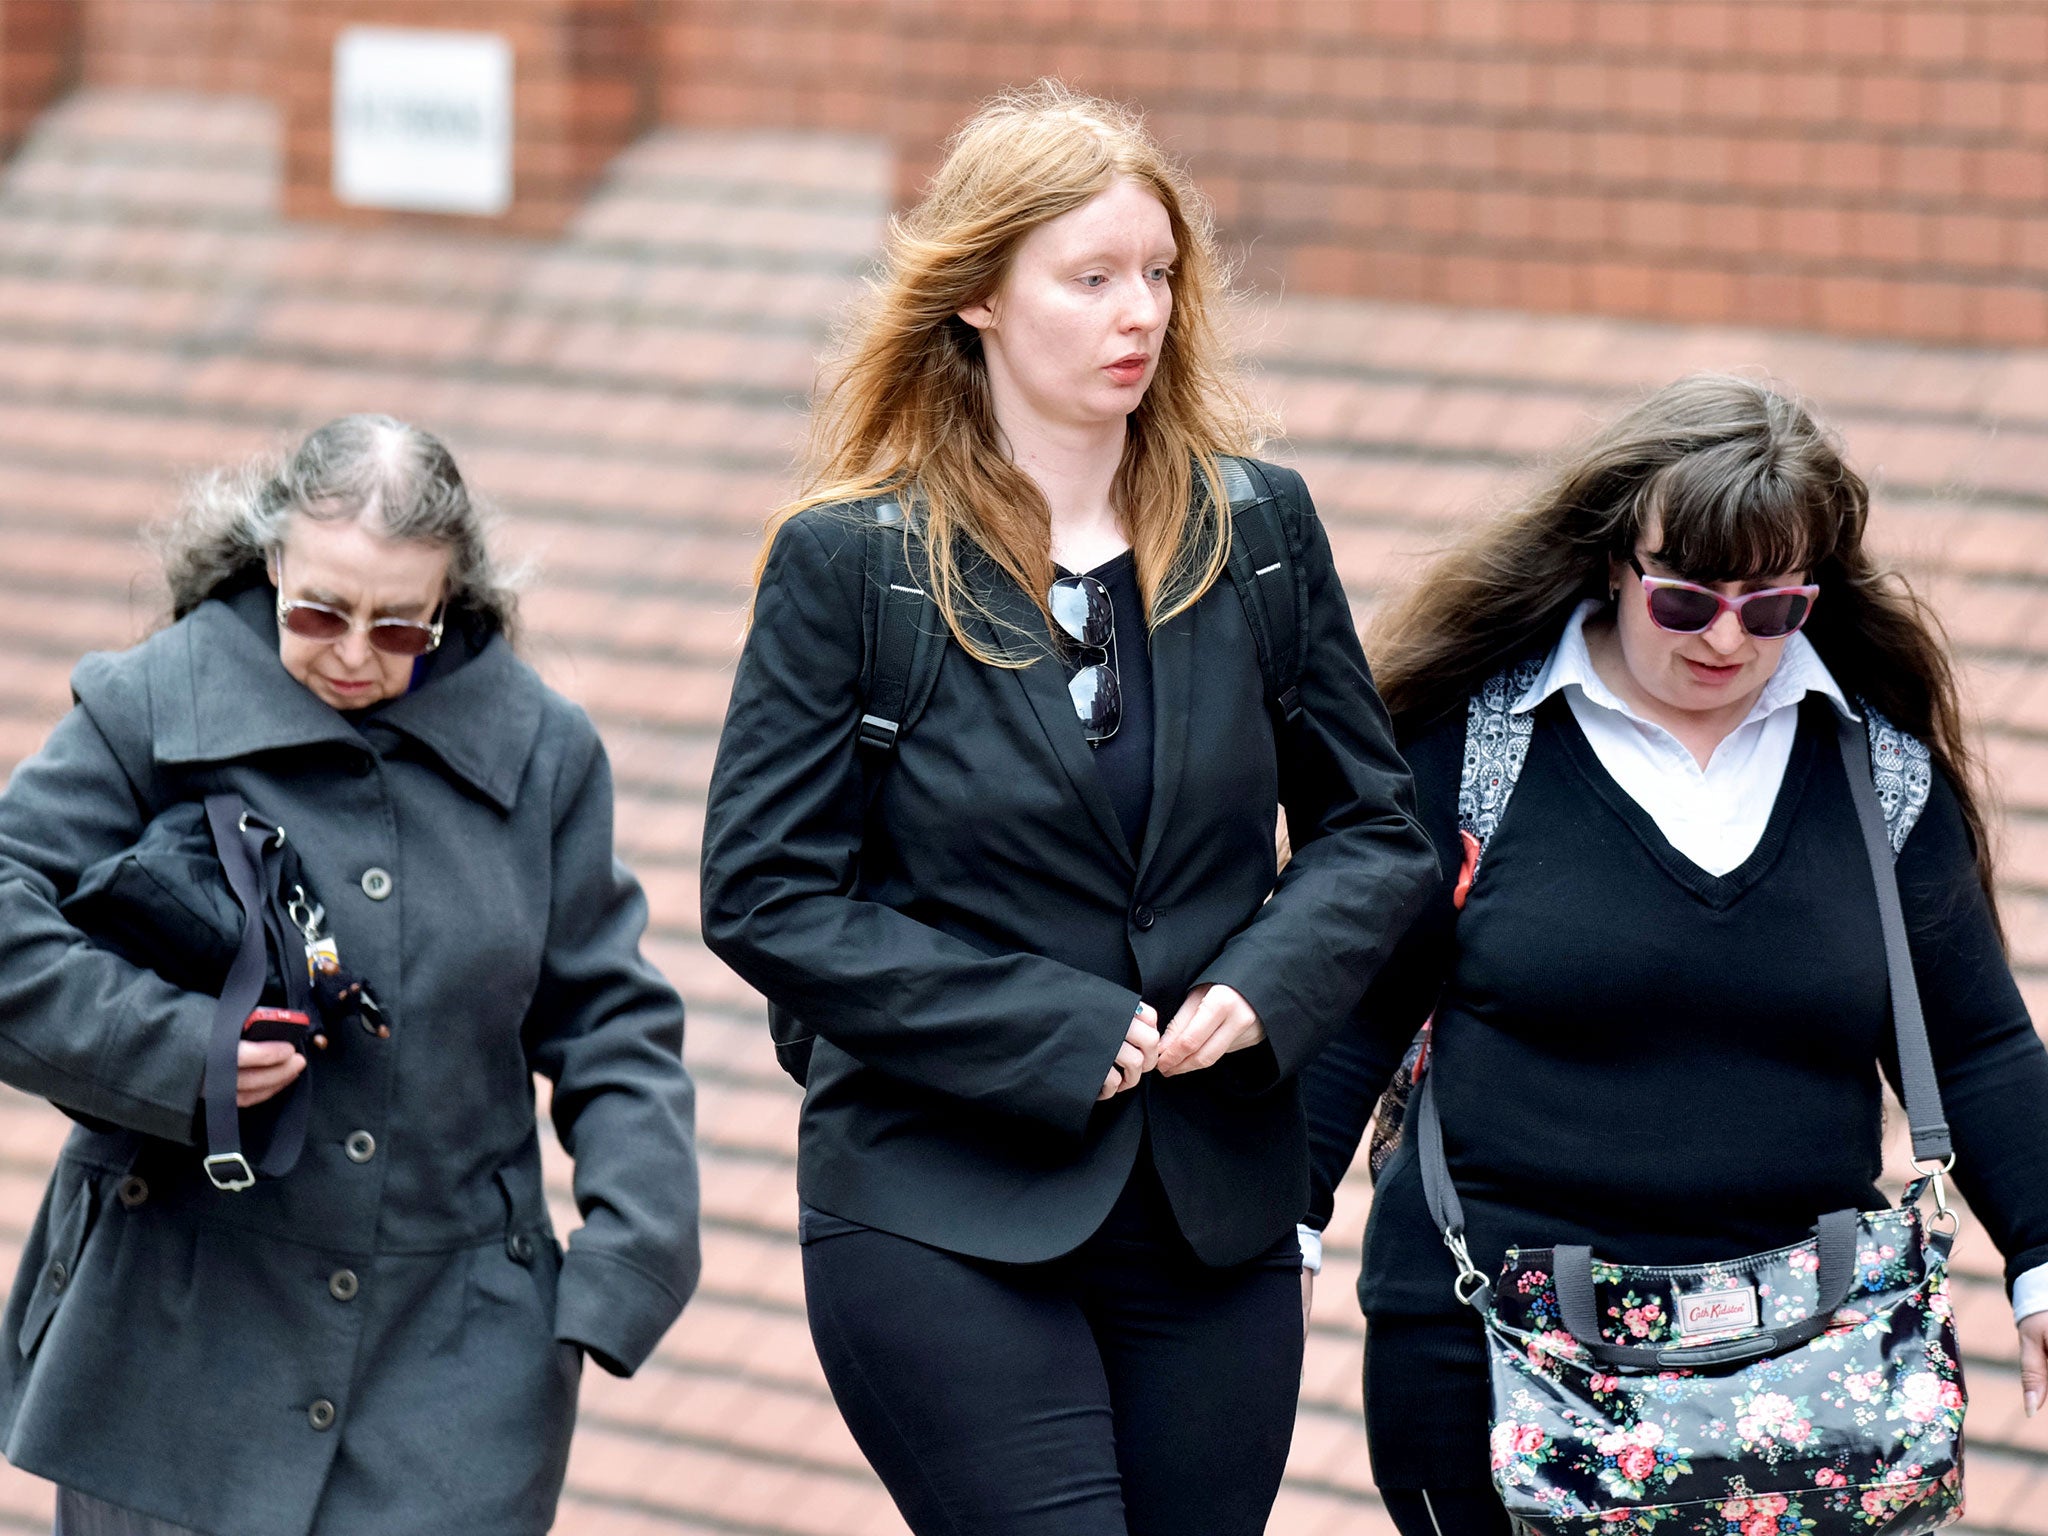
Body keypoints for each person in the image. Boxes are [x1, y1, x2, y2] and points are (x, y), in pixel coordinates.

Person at [699, 83, 1434, 1536]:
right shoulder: (854, 563)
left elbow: (1377, 831)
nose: (1138, 313)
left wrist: (1264, 985)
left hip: (1214, 1204)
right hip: (938, 1202)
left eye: (1158, 275)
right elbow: (768, 895)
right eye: (1091, 277)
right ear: (977, 293)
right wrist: (1051, 1026)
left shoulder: (1259, 528)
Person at [1297, 373, 2048, 1536]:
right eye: (1686, 600)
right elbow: (1349, 1022)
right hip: (1497, 1362)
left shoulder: (1873, 776)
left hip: (1805, 1380)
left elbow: (1982, 1046)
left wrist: (2041, 1260)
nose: (1725, 639)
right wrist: (1272, 1244)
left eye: (1770, 610)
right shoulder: (1474, 752)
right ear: (1614, 562)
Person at [0, 415, 701, 1536]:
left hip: (457, 1369)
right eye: (319, 612)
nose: (352, 653)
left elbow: (609, 1019)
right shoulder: (146, 708)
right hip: (174, 1351)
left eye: (398, 626)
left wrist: (634, 1253)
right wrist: (188, 1053)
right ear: (271, 560)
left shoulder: (547, 754)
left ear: (451, 598)